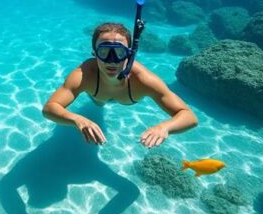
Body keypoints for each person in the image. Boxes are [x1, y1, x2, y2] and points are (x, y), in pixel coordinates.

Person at [42, 21, 198, 148]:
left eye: (119, 52)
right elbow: (49, 108)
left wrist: (164, 128)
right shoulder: (84, 75)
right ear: (94, 52)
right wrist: (77, 119)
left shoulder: (144, 80)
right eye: (104, 52)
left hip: (116, 92)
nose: (111, 60)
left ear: (130, 53)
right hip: (98, 95)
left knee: (99, 102)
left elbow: (189, 117)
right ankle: (98, 103)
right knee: (98, 103)